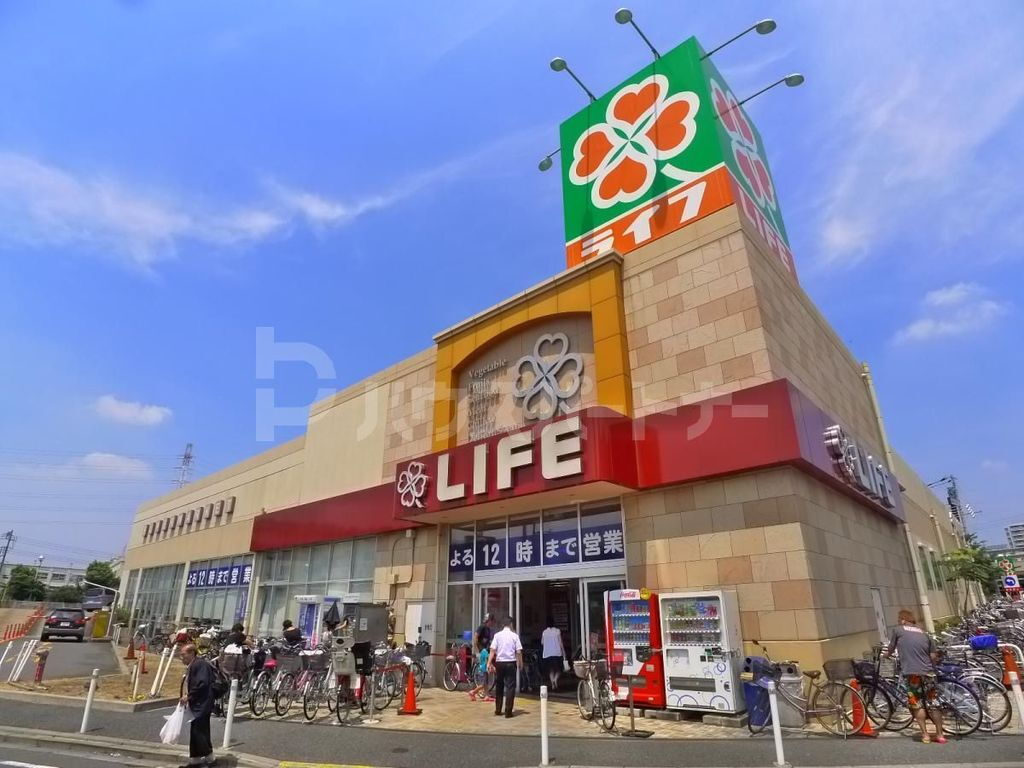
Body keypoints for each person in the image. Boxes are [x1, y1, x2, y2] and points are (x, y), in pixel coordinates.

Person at [885, 609, 945, 744]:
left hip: (912, 674)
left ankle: (925, 735)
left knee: (916, 704)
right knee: (933, 703)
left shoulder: (898, 630)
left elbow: (891, 649)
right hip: (929, 673)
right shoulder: (924, 633)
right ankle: (940, 735)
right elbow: (933, 656)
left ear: (902, 620)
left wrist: (886, 655)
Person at [178, 643, 217, 767]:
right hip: (199, 703)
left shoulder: (200, 664)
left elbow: (202, 683)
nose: (181, 657)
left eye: (183, 654)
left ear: (191, 653)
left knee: (199, 731)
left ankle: (210, 758)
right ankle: (196, 759)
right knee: (196, 730)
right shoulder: (195, 664)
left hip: (203, 703)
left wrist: (189, 696)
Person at [487, 617, 523, 718]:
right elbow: (518, 651)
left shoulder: (497, 635)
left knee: (499, 686)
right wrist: (520, 663)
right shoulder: (514, 636)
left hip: (500, 663)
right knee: (510, 687)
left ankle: (498, 710)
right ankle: (508, 712)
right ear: (511, 624)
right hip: (511, 663)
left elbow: (492, 650)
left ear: (503, 625)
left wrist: (489, 663)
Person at [540, 617, 566, 691]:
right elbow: (560, 643)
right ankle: (555, 680)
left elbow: (542, 642)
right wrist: (564, 652)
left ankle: (552, 683)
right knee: (559, 669)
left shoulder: (544, 632)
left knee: (551, 670)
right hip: (557, 653)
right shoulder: (557, 631)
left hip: (547, 654)